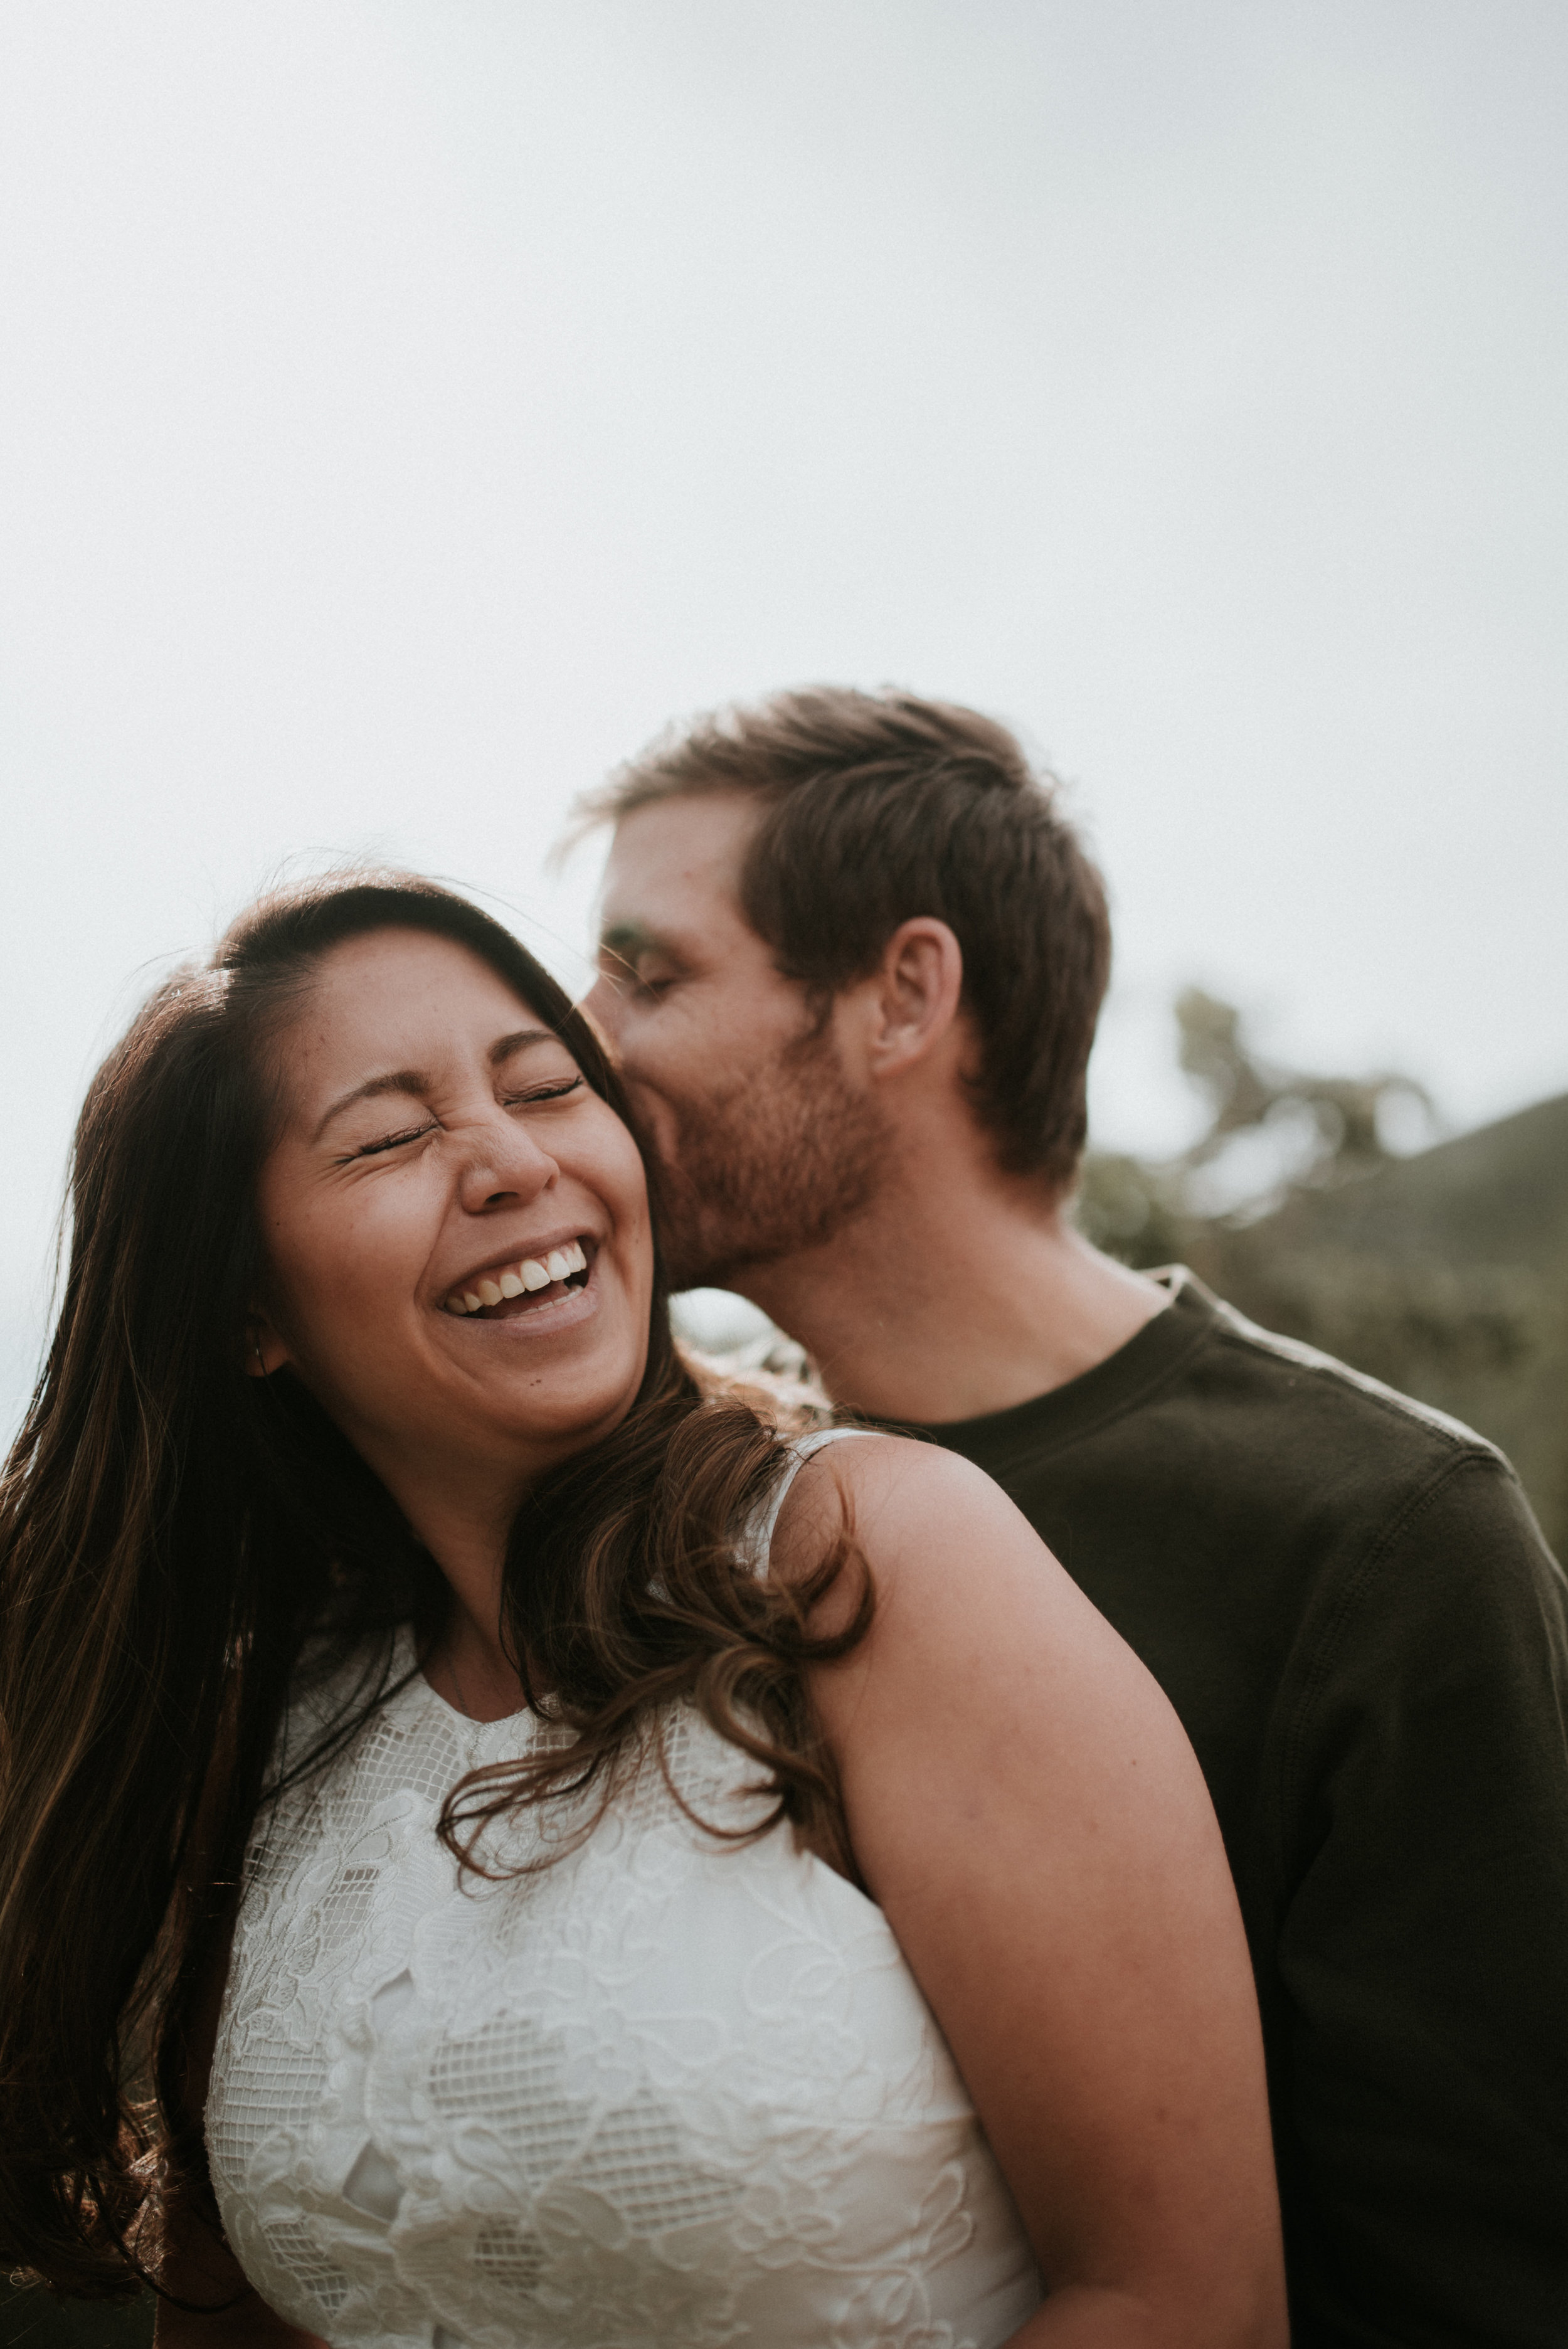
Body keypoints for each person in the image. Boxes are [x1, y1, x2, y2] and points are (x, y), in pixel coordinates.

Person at [0, 873, 1285, 2349]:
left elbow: (1183, 2301)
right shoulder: (266, 1727)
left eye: (546, 1087)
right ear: (249, 1312)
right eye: (389, 1137)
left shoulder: (869, 1559)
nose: (507, 1161)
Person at [583, 686, 1568, 2349]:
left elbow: (1471, 2288)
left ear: (900, 995)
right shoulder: (668, 1525)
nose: (580, 1040)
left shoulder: (1382, 1540)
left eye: (648, 970)